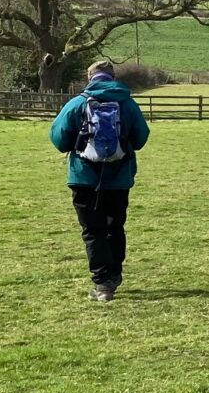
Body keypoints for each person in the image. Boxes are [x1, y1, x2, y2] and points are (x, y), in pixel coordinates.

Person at [50, 60, 150, 302]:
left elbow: (59, 138)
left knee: (93, 231)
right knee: (114, 227)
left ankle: (103, 283)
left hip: (84, 177)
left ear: (89, 77)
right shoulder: (127, 103)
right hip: (119, 178)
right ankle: (114, 275)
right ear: (112, 77)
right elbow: (141, 137)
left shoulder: (77, 103)